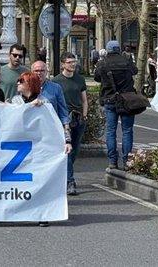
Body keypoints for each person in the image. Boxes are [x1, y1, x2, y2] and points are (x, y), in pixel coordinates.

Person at [10, 71, 71, 227]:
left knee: (40, 179)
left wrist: (67, 140)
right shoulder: (15, 101)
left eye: (21, 81)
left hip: (39, 148)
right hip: (19, 147)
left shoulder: (45, 103)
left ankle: (43, 213)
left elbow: (55, 124)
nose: (18, 83)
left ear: (30, 84)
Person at [94, 40, 138, 171]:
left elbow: (97, 78)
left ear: (107, 50)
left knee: (111, 131)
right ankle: (126, 161)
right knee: (127, 131)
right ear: (119, 49)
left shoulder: (102, 63)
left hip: (110, 100)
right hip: (127, 100)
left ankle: (113, 161)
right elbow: (135, 71)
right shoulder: (127, 60)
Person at [53, 52, 88, 195]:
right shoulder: (56, 81)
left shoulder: (80, 79)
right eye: (69, 62)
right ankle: (70, 181)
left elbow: (84, 99)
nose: (73, 64)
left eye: (74, 62)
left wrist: (85, 115)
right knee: (67, 149)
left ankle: (64, 173)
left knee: (75, 150)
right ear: (63, 64)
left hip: (78, 118)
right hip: (64, 120)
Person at [31, 61, 70, 128]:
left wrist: (66, 126)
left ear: (46, 72)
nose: (39, 73)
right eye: (36, 71)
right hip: (32, 127)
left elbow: (62, 110)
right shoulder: (26, 88)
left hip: (51, 127)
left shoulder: (56, 88)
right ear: (31, 72)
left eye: (42, 71)